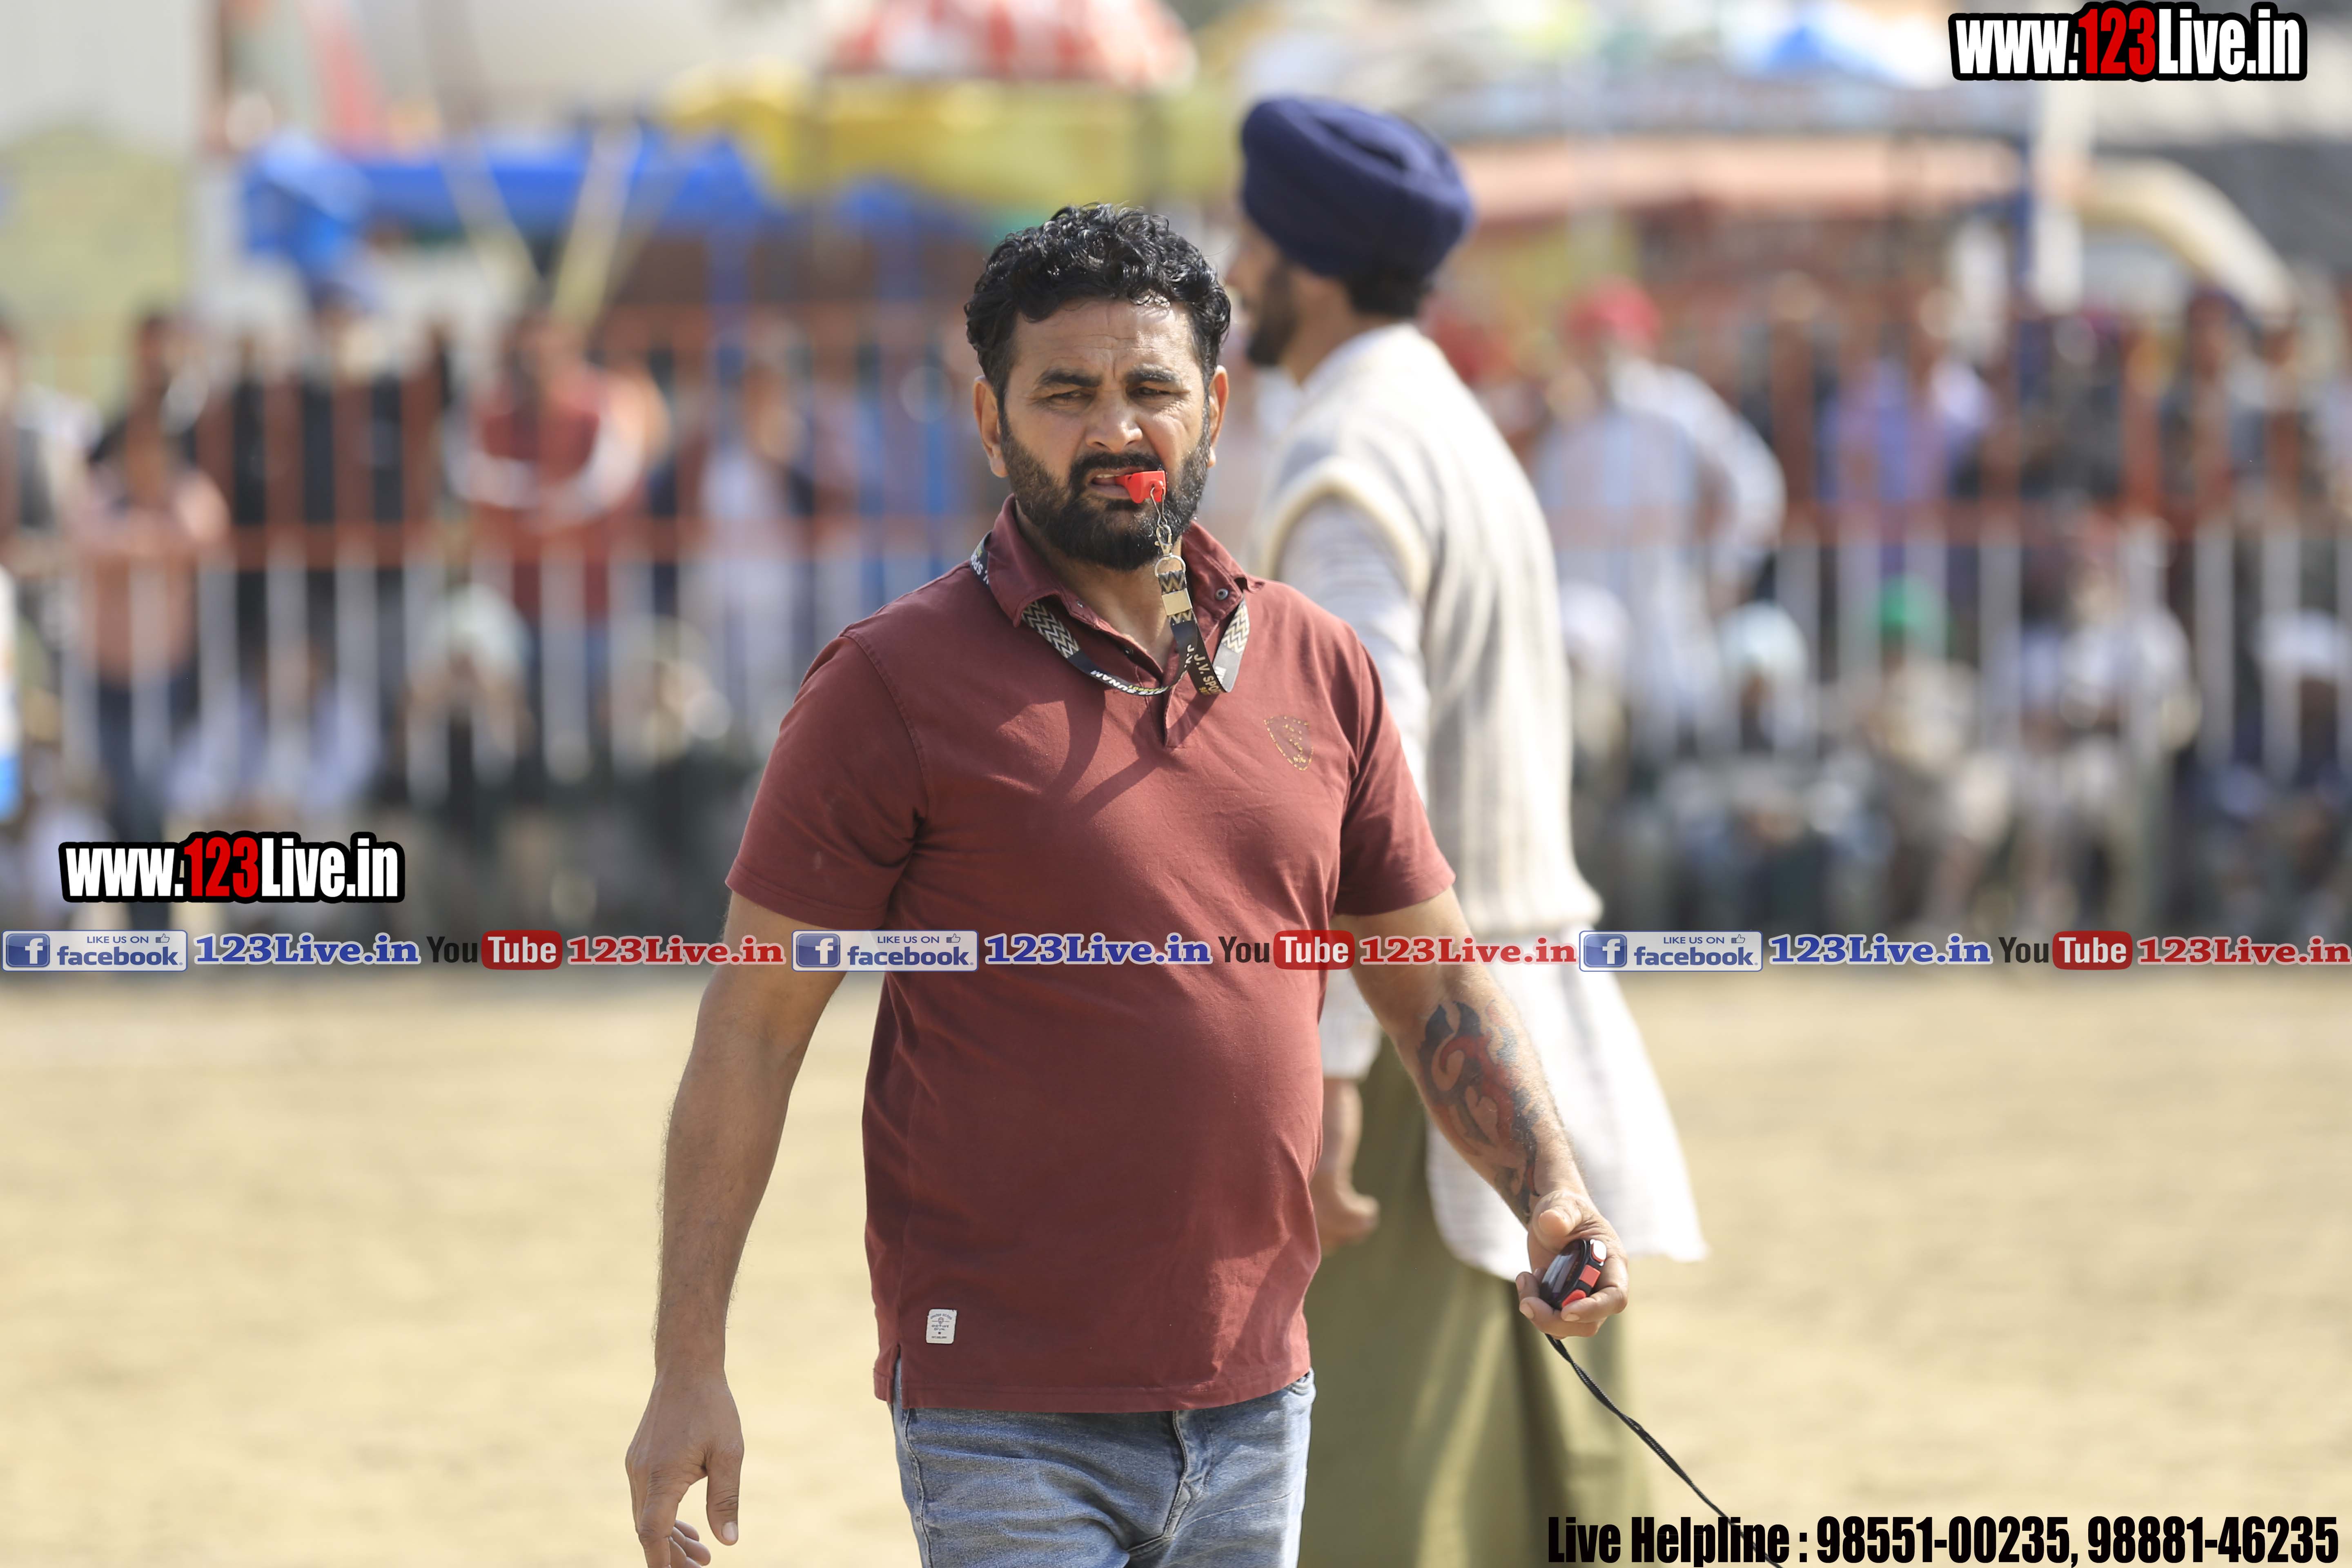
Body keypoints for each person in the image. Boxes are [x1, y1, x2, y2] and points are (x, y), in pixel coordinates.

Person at [623, 204, 1631, 1568]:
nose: (1117, 429)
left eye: (1152, 389)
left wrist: (1551, 1190)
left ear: (1215, 405)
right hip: (1003, 1411)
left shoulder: (1320, 665)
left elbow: (1433, 975)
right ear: (991, 422)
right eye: (1066, 394)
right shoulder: (888, 686)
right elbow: (750, 1030)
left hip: (1262, 1391)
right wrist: (689, 1366)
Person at [1224, 99, 1705, 1568]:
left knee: (1379, 1505)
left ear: (1306, 262)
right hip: (1510, 1017)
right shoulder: (1447, 423)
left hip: (1425, 1041)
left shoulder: (1348, 454)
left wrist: (1329, 1065)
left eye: (1252, 238)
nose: (1233, 267)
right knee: (1539, 1489)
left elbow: (1364, 798)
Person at [1532, 278, 1785, 762]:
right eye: (1590, 342)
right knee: (1590, 728)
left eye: (1612, 340)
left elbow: (1754, 483)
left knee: (1677, 721)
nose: (1602, 354)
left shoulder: (1679, 407)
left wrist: (1727, 567)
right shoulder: (1564, 425)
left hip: (1665, 588)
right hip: (1587, 603)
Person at [67, 312, 228, 928]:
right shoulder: (104, 493)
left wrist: (145, 534)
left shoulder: (187, 488)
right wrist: (146, 538)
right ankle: (140, 925)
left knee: (147, 792)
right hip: (104, 672)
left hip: (163, 673)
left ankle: (154, 924)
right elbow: (88, 535)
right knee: (117, 795)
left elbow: (206, 528)